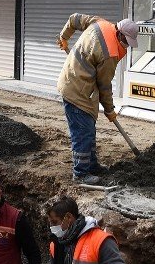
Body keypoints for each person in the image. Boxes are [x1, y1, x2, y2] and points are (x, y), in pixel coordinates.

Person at [56, 14, 139, 184]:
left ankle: (92, 166)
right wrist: (110, 110)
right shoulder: (110, 54)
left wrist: (64, 37)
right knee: (83, 133)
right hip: (77, 90)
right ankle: (80, 174)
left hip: (75, 81)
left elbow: (74, 19)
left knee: (88, 129)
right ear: (120, 33)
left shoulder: (99, 23)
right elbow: (104, 85)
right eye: (126, 41)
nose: (126, 45)